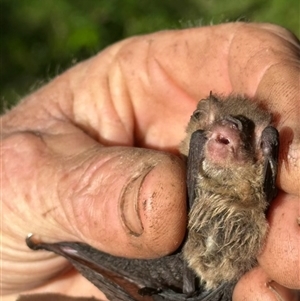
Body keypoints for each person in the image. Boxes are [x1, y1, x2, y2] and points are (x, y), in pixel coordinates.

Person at [1, 22, 299, 301]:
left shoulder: (259, 184)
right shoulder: (185, 185)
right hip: (182, 265)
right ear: (199, 135)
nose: (224, 134)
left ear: (262, 150)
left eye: (240, 135)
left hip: (227, 273)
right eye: (216, 128)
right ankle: (71, 249)